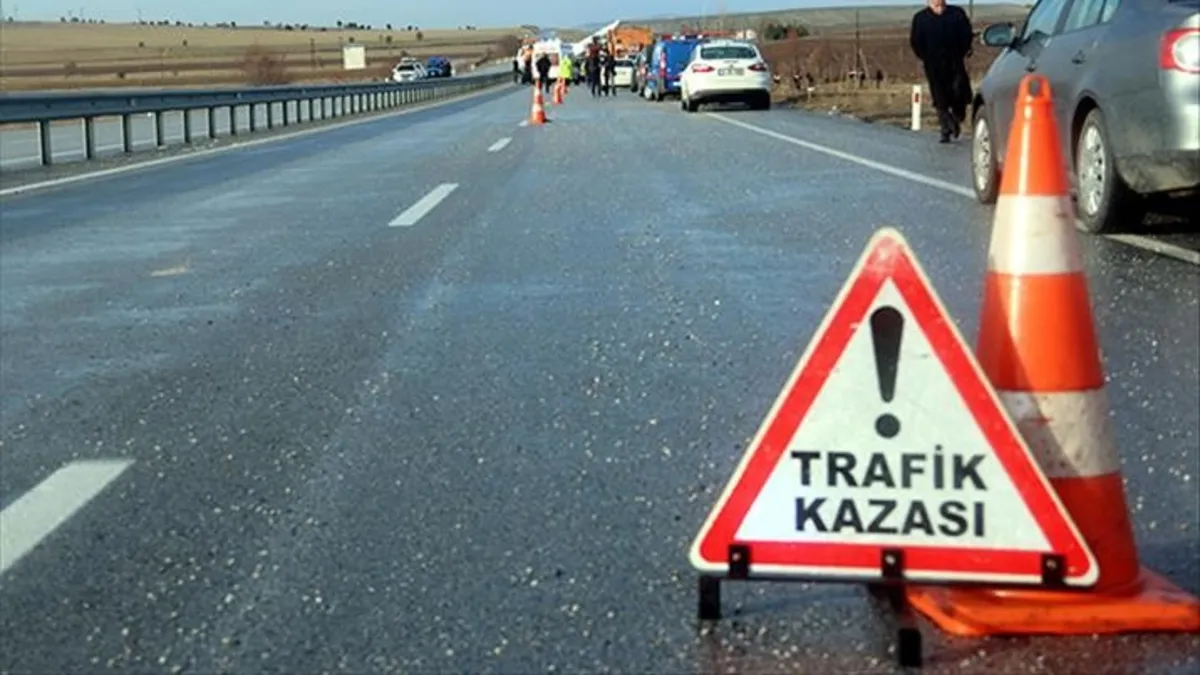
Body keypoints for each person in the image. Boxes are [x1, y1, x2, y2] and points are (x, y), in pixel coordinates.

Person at [909, 0, 974, 143]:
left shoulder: (957, 14)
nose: (939, 8)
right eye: (936, 5)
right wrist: (926, 56)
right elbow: (916, 41)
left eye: (941, 5)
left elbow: (967, 34)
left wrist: (962, 51)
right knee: (940, 96)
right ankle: (945, 129)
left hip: (955, 61)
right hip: (934, 64)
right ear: (928, 3)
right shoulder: (920, 18)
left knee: (959, 90)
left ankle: (957, 117)